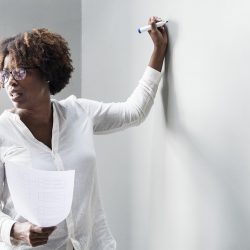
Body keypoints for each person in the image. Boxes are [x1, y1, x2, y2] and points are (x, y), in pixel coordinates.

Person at [0, 16, 168, 249]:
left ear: (46, 71)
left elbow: (134, 112)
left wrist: (159, 50)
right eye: (5, 75)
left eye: (18, 72)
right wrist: (15, 230)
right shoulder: (3, 133)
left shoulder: (78, 112)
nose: (10, 82)